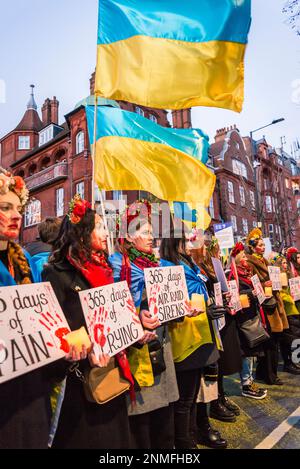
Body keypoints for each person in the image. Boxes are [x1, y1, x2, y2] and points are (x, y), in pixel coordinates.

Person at [42, 195, 132, 449]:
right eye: (100, 227)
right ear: (82, 233)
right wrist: (85, 346)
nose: (107, 232)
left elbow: (115, 317)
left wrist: (137, 327)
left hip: (112, 375)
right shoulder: (56, 272)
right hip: (80, 387)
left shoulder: (106, 269)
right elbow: (55, 332)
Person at [110, 201, 179, 449]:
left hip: (161, 347)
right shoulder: (116, 266)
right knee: (142, 424)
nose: (152, 237)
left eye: (152, 232)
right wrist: (136, 317)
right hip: (136, 352)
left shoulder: (159, 265)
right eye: (146, 232)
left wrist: (180, 309)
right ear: (129, 237)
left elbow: (169, 301)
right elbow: (112, 308)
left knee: (164, 420)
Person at [160, 223, 227, 449]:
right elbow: (171, 304)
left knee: (194, 393)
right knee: (185, 398)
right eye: (187, 240)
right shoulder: (167, 266)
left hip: (200, 334)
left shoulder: (188, 263)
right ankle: (183, 442)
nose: (192, 244)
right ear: (174, 242)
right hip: (185, 338)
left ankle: (191, 434)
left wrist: (211, 306)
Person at [0, 168, 52, 449]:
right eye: (5, 208)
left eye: (18, 208)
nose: (18, 215)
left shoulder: (29, 264)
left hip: (31, 389)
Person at [192, 235, 242, 422]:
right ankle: (214, 404)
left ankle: (220, 397)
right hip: (208, 318)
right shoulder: (200, 268)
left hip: (217, 315)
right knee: (213, 365)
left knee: (219, 362)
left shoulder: (213, 266)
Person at [246, 229, 289, 385]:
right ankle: (270, 375)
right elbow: (253, 282)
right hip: (265, 304)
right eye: (260, 245)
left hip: (273, 301)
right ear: (252, 246)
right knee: (270, 341)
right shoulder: (251, 261)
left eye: (264, 245)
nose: (263, 247)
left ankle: (264, 373)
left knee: (273, 340)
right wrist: (264, 284)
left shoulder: (264, 260)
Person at [229, 243, 268, 399]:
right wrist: (252, 293)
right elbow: (236, 295)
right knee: (246, 352)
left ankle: (250, 382)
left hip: (252, 315)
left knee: (252, 352)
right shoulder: (232, 275)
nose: (246, 258)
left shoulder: (247, 273)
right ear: (238, 259)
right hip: (242, 319)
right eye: (243, 256)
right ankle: (246, 384)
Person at [270, 253, 300, 374]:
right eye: (282, 263)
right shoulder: (278, 276)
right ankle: (290, 363)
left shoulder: (287, 275)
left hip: (292, 309)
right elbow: (279, 293)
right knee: (290, 339)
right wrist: (289, 298)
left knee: (293, 337)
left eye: (285, 262)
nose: (285, 265)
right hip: (286, 311)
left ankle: (293, 361)